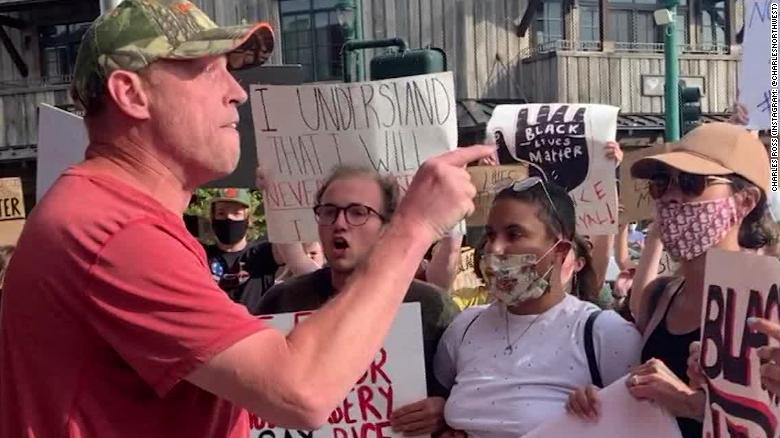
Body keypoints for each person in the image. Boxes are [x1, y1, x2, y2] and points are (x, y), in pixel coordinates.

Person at [0, 1, 494, 436]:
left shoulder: (109, 216)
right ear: (131, 94)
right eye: (209, 69)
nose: (238, 91)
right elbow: (300, 391)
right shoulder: (114, 230)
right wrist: (412, 226)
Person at [566, 122, 774, 438]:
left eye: (692, 183)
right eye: (662, 183)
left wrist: (692, 404)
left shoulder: (769, 300)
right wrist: (600, 399)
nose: (672, 198)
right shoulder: (659, 296)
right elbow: (636, 389)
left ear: (744, 201)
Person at [253, 166, 460, 436]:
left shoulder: (432, 306)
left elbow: (469, 394)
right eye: (329, 211)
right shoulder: (281, 301)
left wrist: (444, 410)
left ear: (386, 227)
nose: (340, 223)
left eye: (358, 212)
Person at [434, 177, 641, 437]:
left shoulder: (605, 333)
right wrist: (437, 415)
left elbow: (644, 422)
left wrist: (607, 413)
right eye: (490, 235)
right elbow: (438, 405)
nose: (495, 248)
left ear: (559, 249)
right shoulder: (465, 327)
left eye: (514, 234)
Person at [204, 187, 320, 308]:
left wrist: (277, 193)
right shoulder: (200, 255)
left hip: (254, 324)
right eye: (221, 213)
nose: (229, 218)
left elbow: (298, 241)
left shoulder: (262, 254)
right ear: (212, 218)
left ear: (248, 219)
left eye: (236, 213)